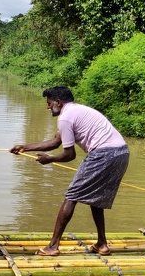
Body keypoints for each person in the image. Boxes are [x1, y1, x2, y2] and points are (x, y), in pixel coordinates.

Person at [9, 86, 129, 256]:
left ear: (58, 102)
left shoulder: (65, 118)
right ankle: (102, 244)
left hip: (103, 154)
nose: (47, 107)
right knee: (96, 199)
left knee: (71, 196)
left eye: (49, 103)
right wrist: (25, 147)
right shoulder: (76, 111)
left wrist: (49, 159)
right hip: (122, 153)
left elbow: (69, 155)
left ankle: (53, 247)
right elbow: (55, 142)